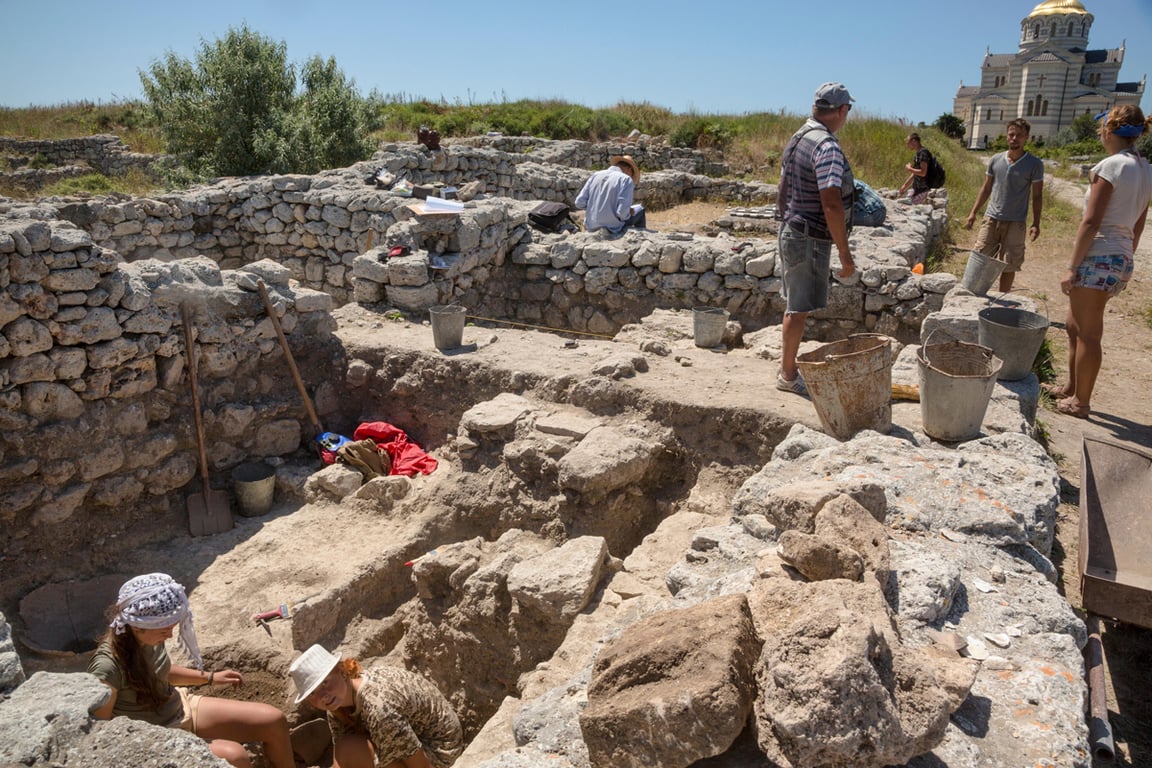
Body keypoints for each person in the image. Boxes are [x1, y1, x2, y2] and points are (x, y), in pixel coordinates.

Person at [88, 573, 294, 768]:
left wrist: (210, 678)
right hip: (156, 734)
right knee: (235, 757)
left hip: (178, 707)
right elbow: (102, 730)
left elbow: (162, 671)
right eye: (164, 630)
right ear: (137, 626)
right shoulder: (108, 668)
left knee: (274, 721)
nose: (169, 636)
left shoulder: (147, 639)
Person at [1046, 105, 1152, 419]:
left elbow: (1091, 222)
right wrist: (1127, 256)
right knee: (1072, 325)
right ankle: (1071, 388)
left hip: (1099, 255)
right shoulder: (1145, 168)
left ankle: (1081, 403)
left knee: (1088, 333)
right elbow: (1139, 222)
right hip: (1118, 256)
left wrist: (1071, 266)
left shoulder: (1111, 166)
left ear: (1108, 131)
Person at [775, 82, 858, 395]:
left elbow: (784, 187)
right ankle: (787, 375)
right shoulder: (826, 146)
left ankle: (788, 368)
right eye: (847, 110)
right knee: (798, 308)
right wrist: (845, 256)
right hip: (808, 235)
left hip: (793, 228)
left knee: (796, 305)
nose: (847, 115)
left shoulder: (799, 137)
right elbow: (831, 202)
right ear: (840, 110)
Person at [289, 644, 463, 768]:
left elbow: (421, 766)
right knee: (347, 748)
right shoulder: (337, 702)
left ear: (342, 671)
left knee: (352, 750)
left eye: (325, 682)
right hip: (407, 739)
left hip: (440, 751)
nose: (322, 696)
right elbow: (342, 757)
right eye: (312, 693)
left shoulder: (380, 709)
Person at [964, 118, 1045, 292]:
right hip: (991, 218)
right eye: (1011, 134)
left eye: (1019, 135)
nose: (1014, 138)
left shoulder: (1034, 164)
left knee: (1009, 263)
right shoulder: (995, 160)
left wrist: (1036, 223)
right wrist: (973, 213)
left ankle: (1003, 299)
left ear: (1026, 138)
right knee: (980, 256)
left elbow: (1037, 196)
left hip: (1016, 221)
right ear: (1007, 136)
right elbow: (986, 188)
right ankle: (973, 294)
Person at [574, 154, 646, 234]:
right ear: (629, 170)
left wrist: (595, 207)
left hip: (591, 226)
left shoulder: (595, 175)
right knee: (640, 210)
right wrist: (627, 212)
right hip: (613, 227)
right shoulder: (626, 179)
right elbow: (622, 213)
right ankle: (640, 238)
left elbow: (579, 203)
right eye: (632, 174)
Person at [897, 133, 934, 204]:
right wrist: (904, 186)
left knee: (910, 207)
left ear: (914, 141)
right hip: (917, 188)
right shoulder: (918, 154)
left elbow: (923, 173)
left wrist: (909, 168)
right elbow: (915, 174)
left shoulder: (923, 153)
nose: (907, 145)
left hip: (923, 189)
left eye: (908, 142)